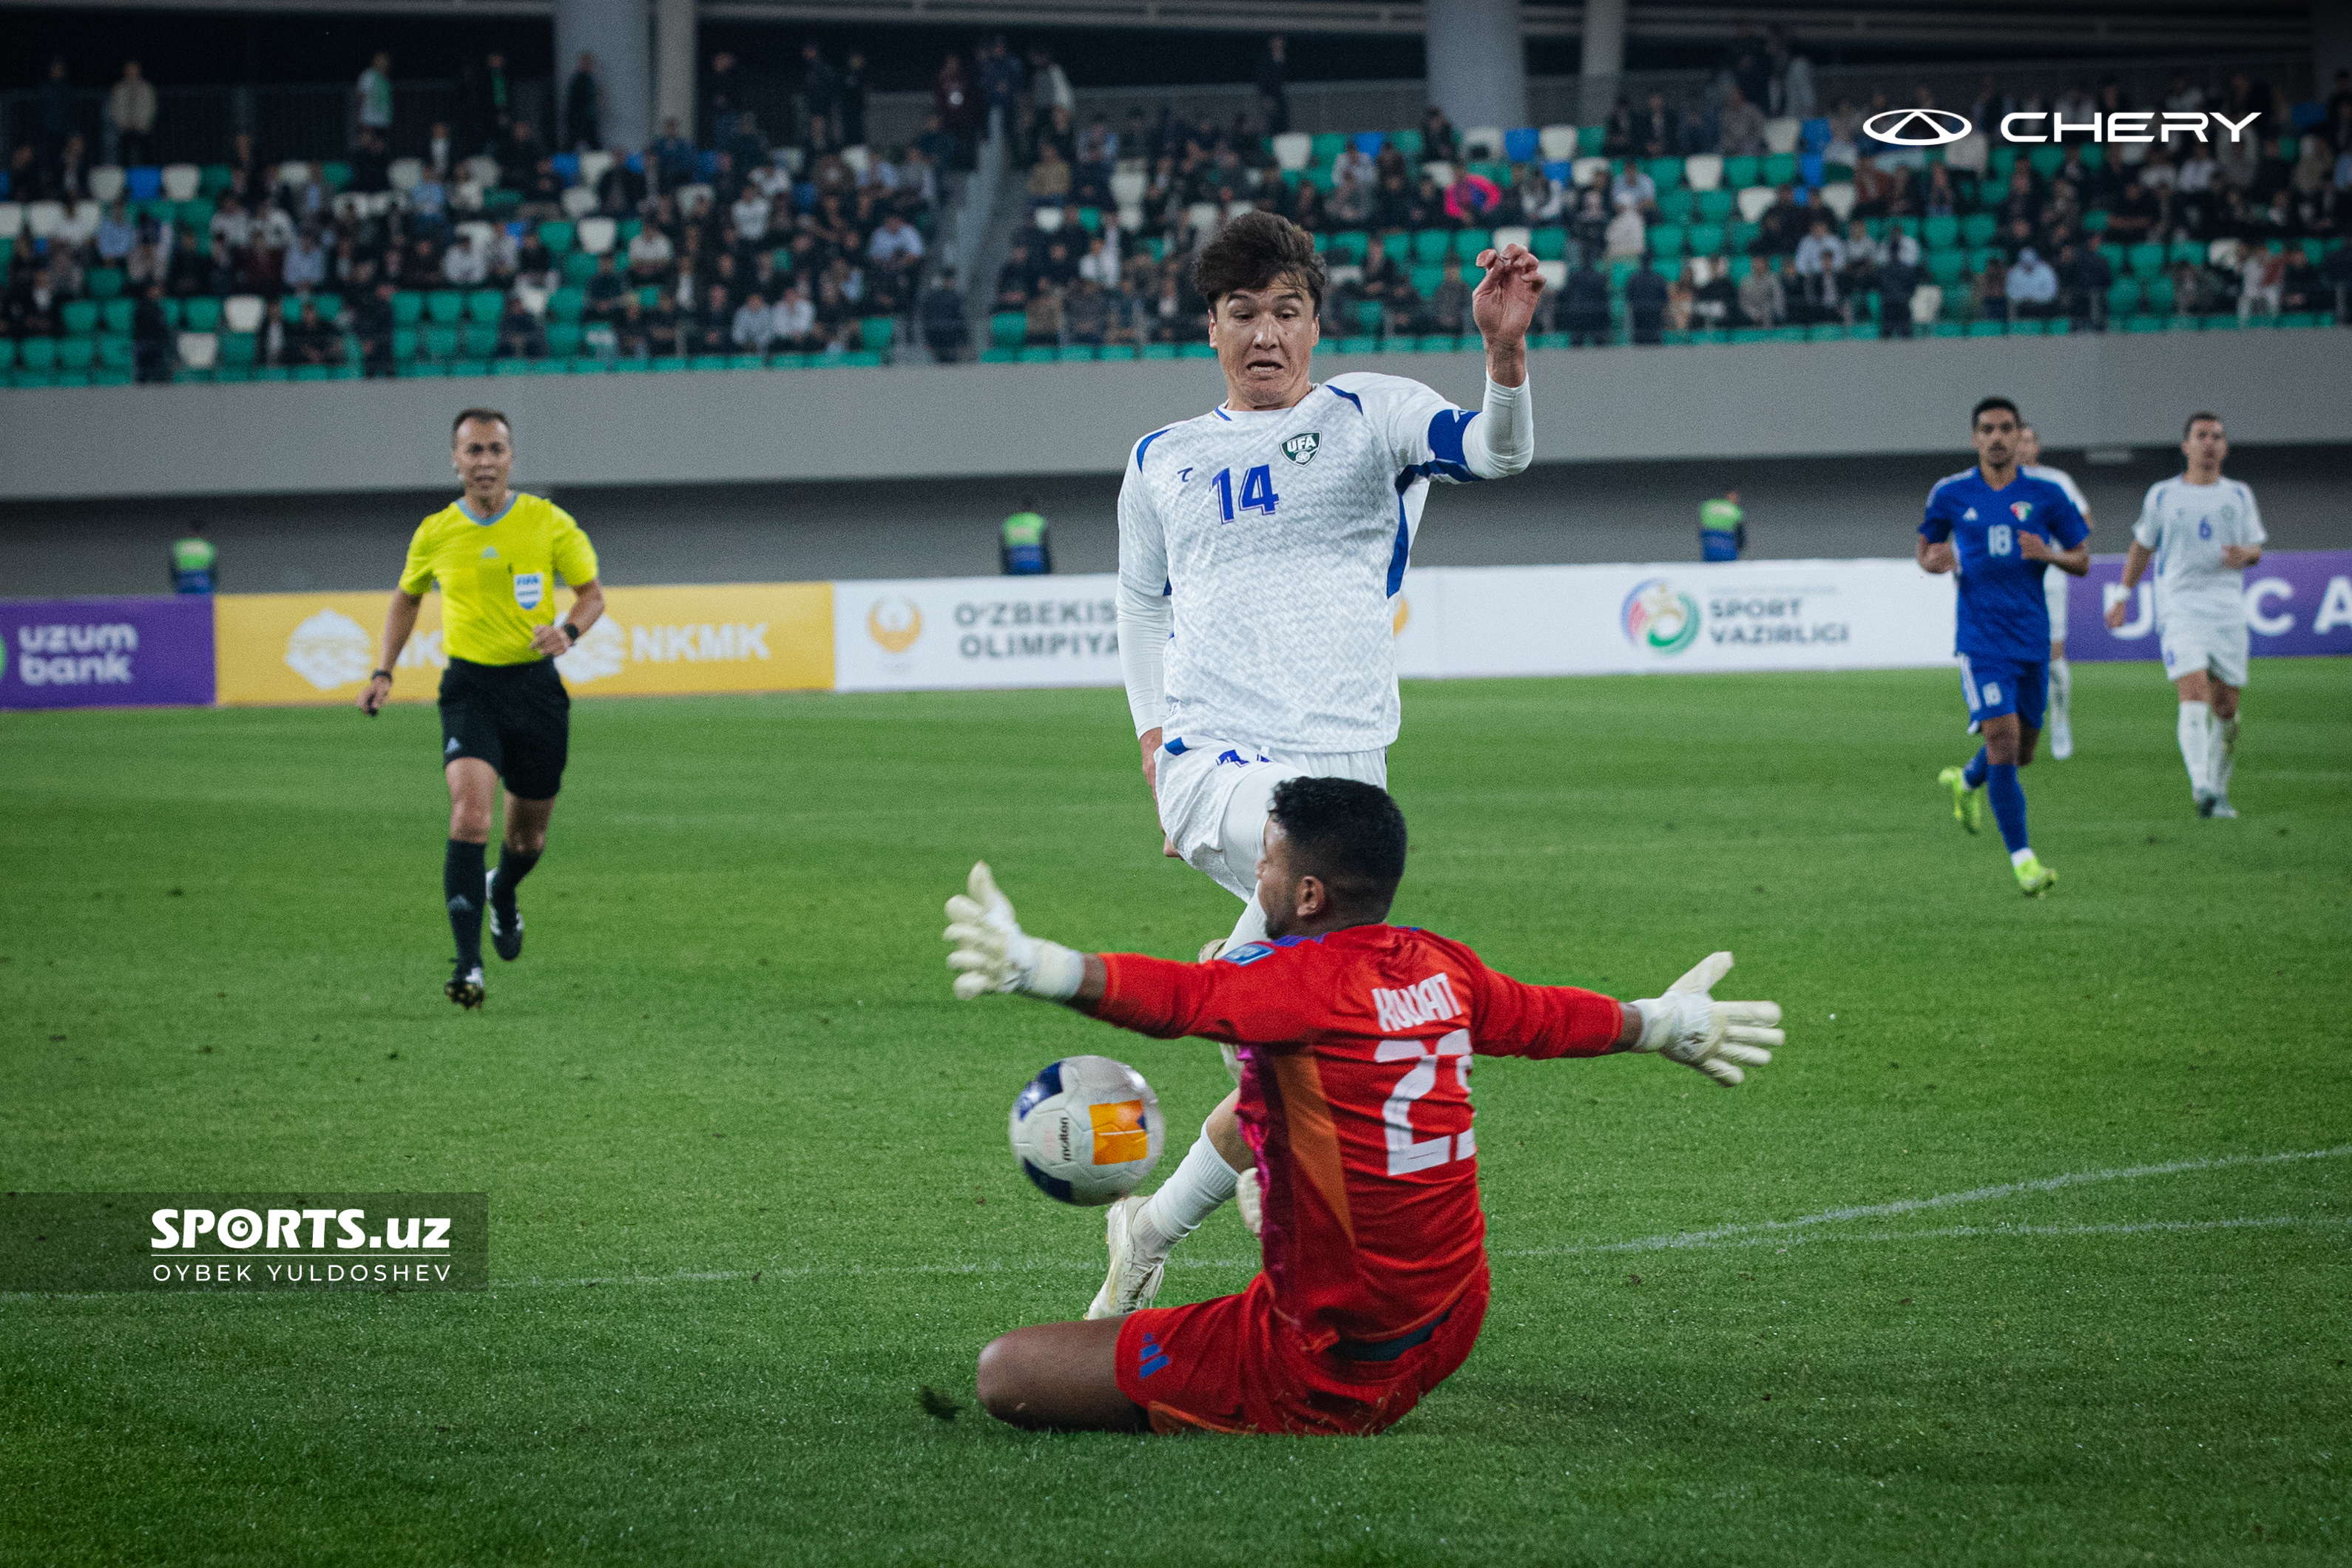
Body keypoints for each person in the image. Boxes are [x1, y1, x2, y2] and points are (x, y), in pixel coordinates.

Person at [944, 779, 1782, 1434]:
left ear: (1308, 894)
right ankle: (1212, 1203)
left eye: (1266, 862)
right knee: (1274, 1091)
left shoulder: (1292, 983)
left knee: (1007, 1373)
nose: (1257, 875)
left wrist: (1040, 965)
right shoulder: (1439, 965)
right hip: (1451, 1318)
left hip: (1329, 1365)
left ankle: (1236, 1273)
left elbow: (1179, 996)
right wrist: (1666, 1022)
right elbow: (1546, 1015)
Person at [1097, 212, 1541, 1322]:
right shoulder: (1163, 460)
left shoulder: (1373, 416)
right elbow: (1139, 604)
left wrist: (1503, 358)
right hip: (1218, 767)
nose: (1266, 333)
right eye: (1242, 313)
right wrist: (1153, 738)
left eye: (1286, 311)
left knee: (1299, 1050)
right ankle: (1246, 978)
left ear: (1313, 322)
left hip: (1350, 780)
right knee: (1294, 903)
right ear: (1212, 329)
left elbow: (1497, 454)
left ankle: (1149, 1229)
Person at [358, 410, 606, 1009]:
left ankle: (505, 891)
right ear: (455, 459)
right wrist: (383, 669)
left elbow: (592, 596)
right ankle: (469, 967)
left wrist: (568, 633)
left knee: (528, 839)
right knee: (470, 817)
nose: (486, 461)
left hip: (536, 692)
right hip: (469, 690)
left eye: (496, 449)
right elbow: (407, 598)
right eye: (474, 450)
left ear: (511, 457)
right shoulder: (436, 531)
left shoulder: (548, 522)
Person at [1922, 397, 2090, 896]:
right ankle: (2024, 862)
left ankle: (1967, 781)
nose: (1997, 437)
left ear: (2020, 437)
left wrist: (2050, 554)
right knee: (2002, 740)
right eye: (1988, 429)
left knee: (2022, 753)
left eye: (2006, 429)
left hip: (2031, 638)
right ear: (1975, 438)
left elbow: (2081, 560)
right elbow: (1926, 550)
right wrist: (1934, 561)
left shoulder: (2047, 494)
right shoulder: (1951, 493)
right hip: (1980, 639)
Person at [2104, 413, 2264, 820]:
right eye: (2201, 436)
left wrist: (2247, 555)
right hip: (2180, 608)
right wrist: (2123, 594)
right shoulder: (2163, 495)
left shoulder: (2239, 495)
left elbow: (2255, 548)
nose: (2209, 443)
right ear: (2186, 446)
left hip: (2227, 611)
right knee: (2192, 693)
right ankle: (2201, 786)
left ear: (2225, 447)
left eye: (2217, 436)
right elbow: (2142, 546)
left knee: (2226, 711)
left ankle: (2219, 790)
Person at [2015, 425, 2093, 760]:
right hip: (2009, 581)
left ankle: (2060, 720)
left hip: (2049, 577)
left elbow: (2085, 520)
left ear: (2037, 447)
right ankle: (2016, 725)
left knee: (2053, 657)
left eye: (2029, 440)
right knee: (2013, 656)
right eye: (2018, 439)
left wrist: (2054, 540)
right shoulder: (1996, 482)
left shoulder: (2056, 481)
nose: (2023, 446)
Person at [109, 61, 158, 169]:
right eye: (129, 69)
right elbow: (115, 107)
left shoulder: (147, 87)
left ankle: (146, 180)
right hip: (124, 127)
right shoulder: (119, 88)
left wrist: (147, 122)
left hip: (142, 126)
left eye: (134, 69)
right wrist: (120, 123)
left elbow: (152, 107)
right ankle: (125, 180)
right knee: (124, 156)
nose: (132, 72)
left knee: (146, 155)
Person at [1000, 499, 1052, 575]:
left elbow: (1004, 551)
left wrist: (1005, 572)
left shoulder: (1009, 522)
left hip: (1015, 566)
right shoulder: (1039, 520)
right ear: (1034, 508)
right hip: (1036, 566)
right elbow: (1045, 548)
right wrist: (1049, 570)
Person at [564, 53, 601, 152]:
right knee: (589, 143)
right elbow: (579, 101)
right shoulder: (582, 80)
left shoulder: (585, 79)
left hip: (583, 119)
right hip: (582, 119)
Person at [169, 523, 218, 593]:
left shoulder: (179, 546)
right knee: (203, 603)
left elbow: (172, 568)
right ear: (202, 532)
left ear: (188, 531)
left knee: (184, 602)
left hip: (184, 578)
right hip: (201, 578)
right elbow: (213, 570)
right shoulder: (207, 546)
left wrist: (175, 582)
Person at [357, 53, 395, 143]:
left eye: (385, 60)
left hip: (383, 117)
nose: (383, 63)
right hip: (369, 116)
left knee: (380, 143)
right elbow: (362, 94)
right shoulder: (369, 75)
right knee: (366, 140)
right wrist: (361, 114)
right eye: (380, 60)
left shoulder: (385, 77)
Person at [1700, 490, 1744, 561]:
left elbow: (1702, 525)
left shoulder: (1708, 505)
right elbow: (1740, 532)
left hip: (1710, 540)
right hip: (1727, 540)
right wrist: (1741, 546)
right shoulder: (1734, 510)